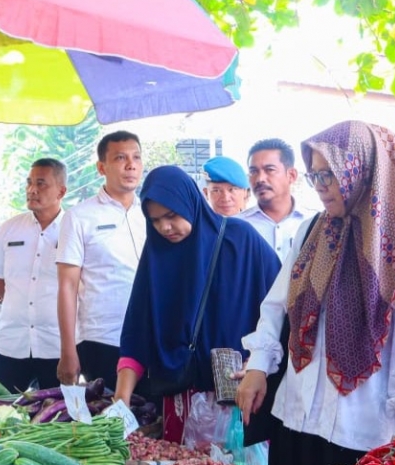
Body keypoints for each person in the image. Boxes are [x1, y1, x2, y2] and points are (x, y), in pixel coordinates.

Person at [236, 121, 395, 465]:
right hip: (297, 419)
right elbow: (276, 306)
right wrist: (258, 366)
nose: (321, 185)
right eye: (315, 175)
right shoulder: (312, 233)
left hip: (364, 437)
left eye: (331, 174)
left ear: (365, 171)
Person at [115, 165, 279, 444]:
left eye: (171, 216)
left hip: (236, 396)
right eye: (154, 220)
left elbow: (280, 309)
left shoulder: (240, 240)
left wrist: (259, 361)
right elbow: (136, 332)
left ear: (191, 204)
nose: (164, 227)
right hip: (177, 401)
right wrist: (120, 400)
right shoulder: (156, 255)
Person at [57, 130, 147, 389]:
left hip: (151, 339)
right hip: (102, 339)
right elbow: (67, 286)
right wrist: (68, 350)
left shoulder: (152, 215)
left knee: (150, 423)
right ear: (101, 167)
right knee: (113, 421)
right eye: (120, 157)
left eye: (136, 157)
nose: (131, 165)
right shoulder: (80, 217)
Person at [0, 159, 70, 392]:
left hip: (57, 346)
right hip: (12, 342)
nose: (32, 189)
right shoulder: (9, 228)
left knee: (56, 421)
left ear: (61, 191)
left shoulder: (74, 229)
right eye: (29, 183)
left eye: (41, 184)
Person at [240, 138, 307, 260]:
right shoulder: (237, 226)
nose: (260, 179)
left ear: (291, 175)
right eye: (253, 172)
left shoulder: (313, 223)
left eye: (270, 170)